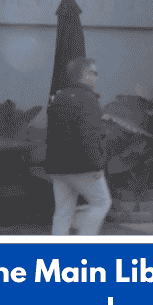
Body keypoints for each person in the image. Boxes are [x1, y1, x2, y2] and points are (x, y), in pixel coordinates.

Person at [45, 56, 112, 235]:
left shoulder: (58, 98)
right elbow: (89, 135)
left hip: (58, 167)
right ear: (84, 74)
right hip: (83, 166)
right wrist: (98, 164)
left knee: (63, 213)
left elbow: (52, 134)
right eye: (94, 73)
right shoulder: (88, 99)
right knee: (102, 202)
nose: (97, 77)